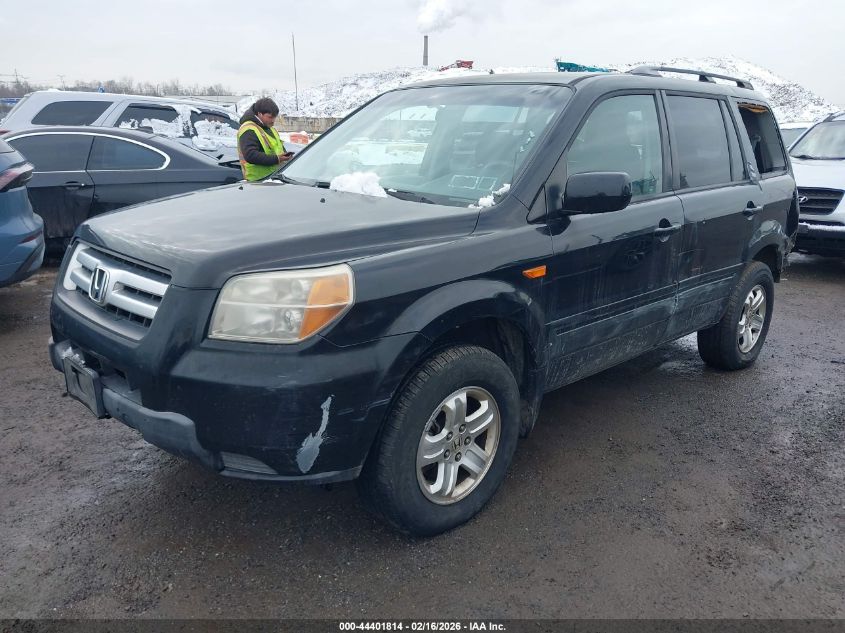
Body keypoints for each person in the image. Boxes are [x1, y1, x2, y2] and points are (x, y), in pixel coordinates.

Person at [237, 97, 291, 181]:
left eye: (274, 117)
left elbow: (278, 148)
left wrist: (286, 157)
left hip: (273, 177)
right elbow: (250, 155)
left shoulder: (269, 128)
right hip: (257, 181)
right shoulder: (248, 129)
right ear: (259, 114)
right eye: (270, 117)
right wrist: (277, 159)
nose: (273, 120)